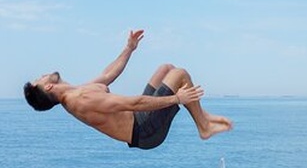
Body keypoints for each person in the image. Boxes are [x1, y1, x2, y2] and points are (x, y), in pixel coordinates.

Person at [22, 29, 232, 149]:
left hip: (139, 119)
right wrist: (177, 99)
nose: (41, 75)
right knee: (180, 75)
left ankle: (202, 116)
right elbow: (135, 103)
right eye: (38, 80)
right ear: (48, 86)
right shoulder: (82, 99)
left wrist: (129, 48)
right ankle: (204, 127)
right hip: (145, 132)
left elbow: (107, 75)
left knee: (165, 69)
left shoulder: (75, 92)